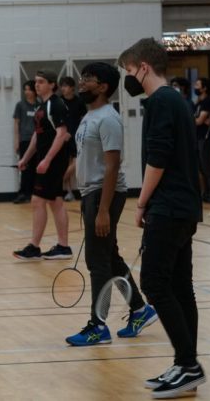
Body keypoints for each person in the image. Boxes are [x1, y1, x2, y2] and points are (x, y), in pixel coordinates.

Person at [119, 38, 207, 397]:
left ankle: (189, 364)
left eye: (129, 71)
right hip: (184, 207)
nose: (129, 79)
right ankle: (185, 363)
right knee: (179, 286)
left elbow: (158, 157)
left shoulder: (159, 101)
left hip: (168, 207)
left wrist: (141, 203)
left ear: (143, 67)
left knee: (154, 284)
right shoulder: (178, 100)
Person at [64, 62, 157, 346]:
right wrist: (73, 171)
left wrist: (103, 210)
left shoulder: (108, 119)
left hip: (104, 196)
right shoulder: (89, 117)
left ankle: (98, 326)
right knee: (110, 256)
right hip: (90, 193)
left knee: (97, 262)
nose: (82, 83)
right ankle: (140, 309)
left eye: (88, 79)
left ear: (103, 87)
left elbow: (112, 165)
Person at [13, 71, 73, 261]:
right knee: (55, 202)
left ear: (52, 84)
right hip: (47, 159)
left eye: (41, 82)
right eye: (36, 82)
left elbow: (62, 134)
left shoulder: (55, 105)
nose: (36, 85)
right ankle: (62, 247)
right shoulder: (42, 105)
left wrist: (47, 160)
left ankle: (34, 247)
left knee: (38, 201)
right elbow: (37, 136)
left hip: (54, 161)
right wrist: (26, 158)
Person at [59, 76, 87, 202]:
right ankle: (69, 192)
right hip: (63, 138)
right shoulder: (59, 102)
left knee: (76, 163)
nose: (63, 89)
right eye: (62, 86)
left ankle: (59, 179)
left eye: (65, 86)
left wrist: (80, 132)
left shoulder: (79, 101)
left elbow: (84, 118)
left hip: (77, 136)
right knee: (66, 163)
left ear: (72, 88)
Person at [193, 77, 210, 203]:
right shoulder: (198, 103)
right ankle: (205, 192)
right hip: (198, 137)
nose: (195, 86)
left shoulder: (209, 101)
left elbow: (199, 121)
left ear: (204, 88)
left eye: (198, 84)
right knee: (200, 166)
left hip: (206, 137)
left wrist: (191, 119)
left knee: (207, 165)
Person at [12, 80, 38, 204]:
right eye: (25, 89)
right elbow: (16, 124)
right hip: (25, 140)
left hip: (38, 141)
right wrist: (16, 141)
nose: (27, 92)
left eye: (29, 89)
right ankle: (23, 193)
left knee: (35, 167)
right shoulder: (20, 105)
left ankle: (35, 193)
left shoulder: (39, 105)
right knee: (24, 168)